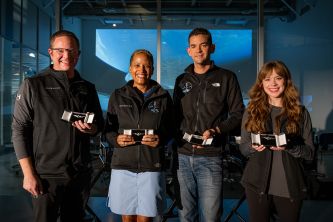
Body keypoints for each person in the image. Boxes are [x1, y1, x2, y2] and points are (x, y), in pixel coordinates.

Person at [12, 30, 104, 222]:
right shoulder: (33, 84)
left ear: (78, 54)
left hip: (79, 173)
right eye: (60, 50)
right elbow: (19, 130)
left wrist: (91, 128)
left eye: (71, 51)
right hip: (46, 174)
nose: (66, 56)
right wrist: (28, 174)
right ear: (51, 52)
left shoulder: (87, 88)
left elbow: (99, 125)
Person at [173, 27, 245, 221]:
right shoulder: (181, 80)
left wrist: (217, 130)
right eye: (194, 46)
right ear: (188, 50)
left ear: (212, 48)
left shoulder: (227, 77)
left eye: (203, 45)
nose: (198, 50)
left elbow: (239, 114)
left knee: (211, 217)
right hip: (183, 158)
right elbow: (174, 116)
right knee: (185, 216)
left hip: (212, 158)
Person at [239, 60, 315, 222]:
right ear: (261, 84)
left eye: (278, 78)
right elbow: (243, 148)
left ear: (286, 81)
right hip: (256, 184)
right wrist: (252, 147)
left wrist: (291, 146)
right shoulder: (251, 111)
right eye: (267, 79)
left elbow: (310, 154)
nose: (272, 83)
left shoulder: (300, 112)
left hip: (290, 186)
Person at [104, 49, 174, 222]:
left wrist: (161, 138)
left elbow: (172, 128)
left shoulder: (163, 97)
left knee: (146, 218)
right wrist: (116, 140)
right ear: (130, 68)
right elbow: (108, 130)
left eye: (146, 66)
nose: (141, 70)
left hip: (151, 164)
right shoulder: (118, 95)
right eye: (137, 65)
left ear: (152, 69)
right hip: (123, 164)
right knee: (127, 216)